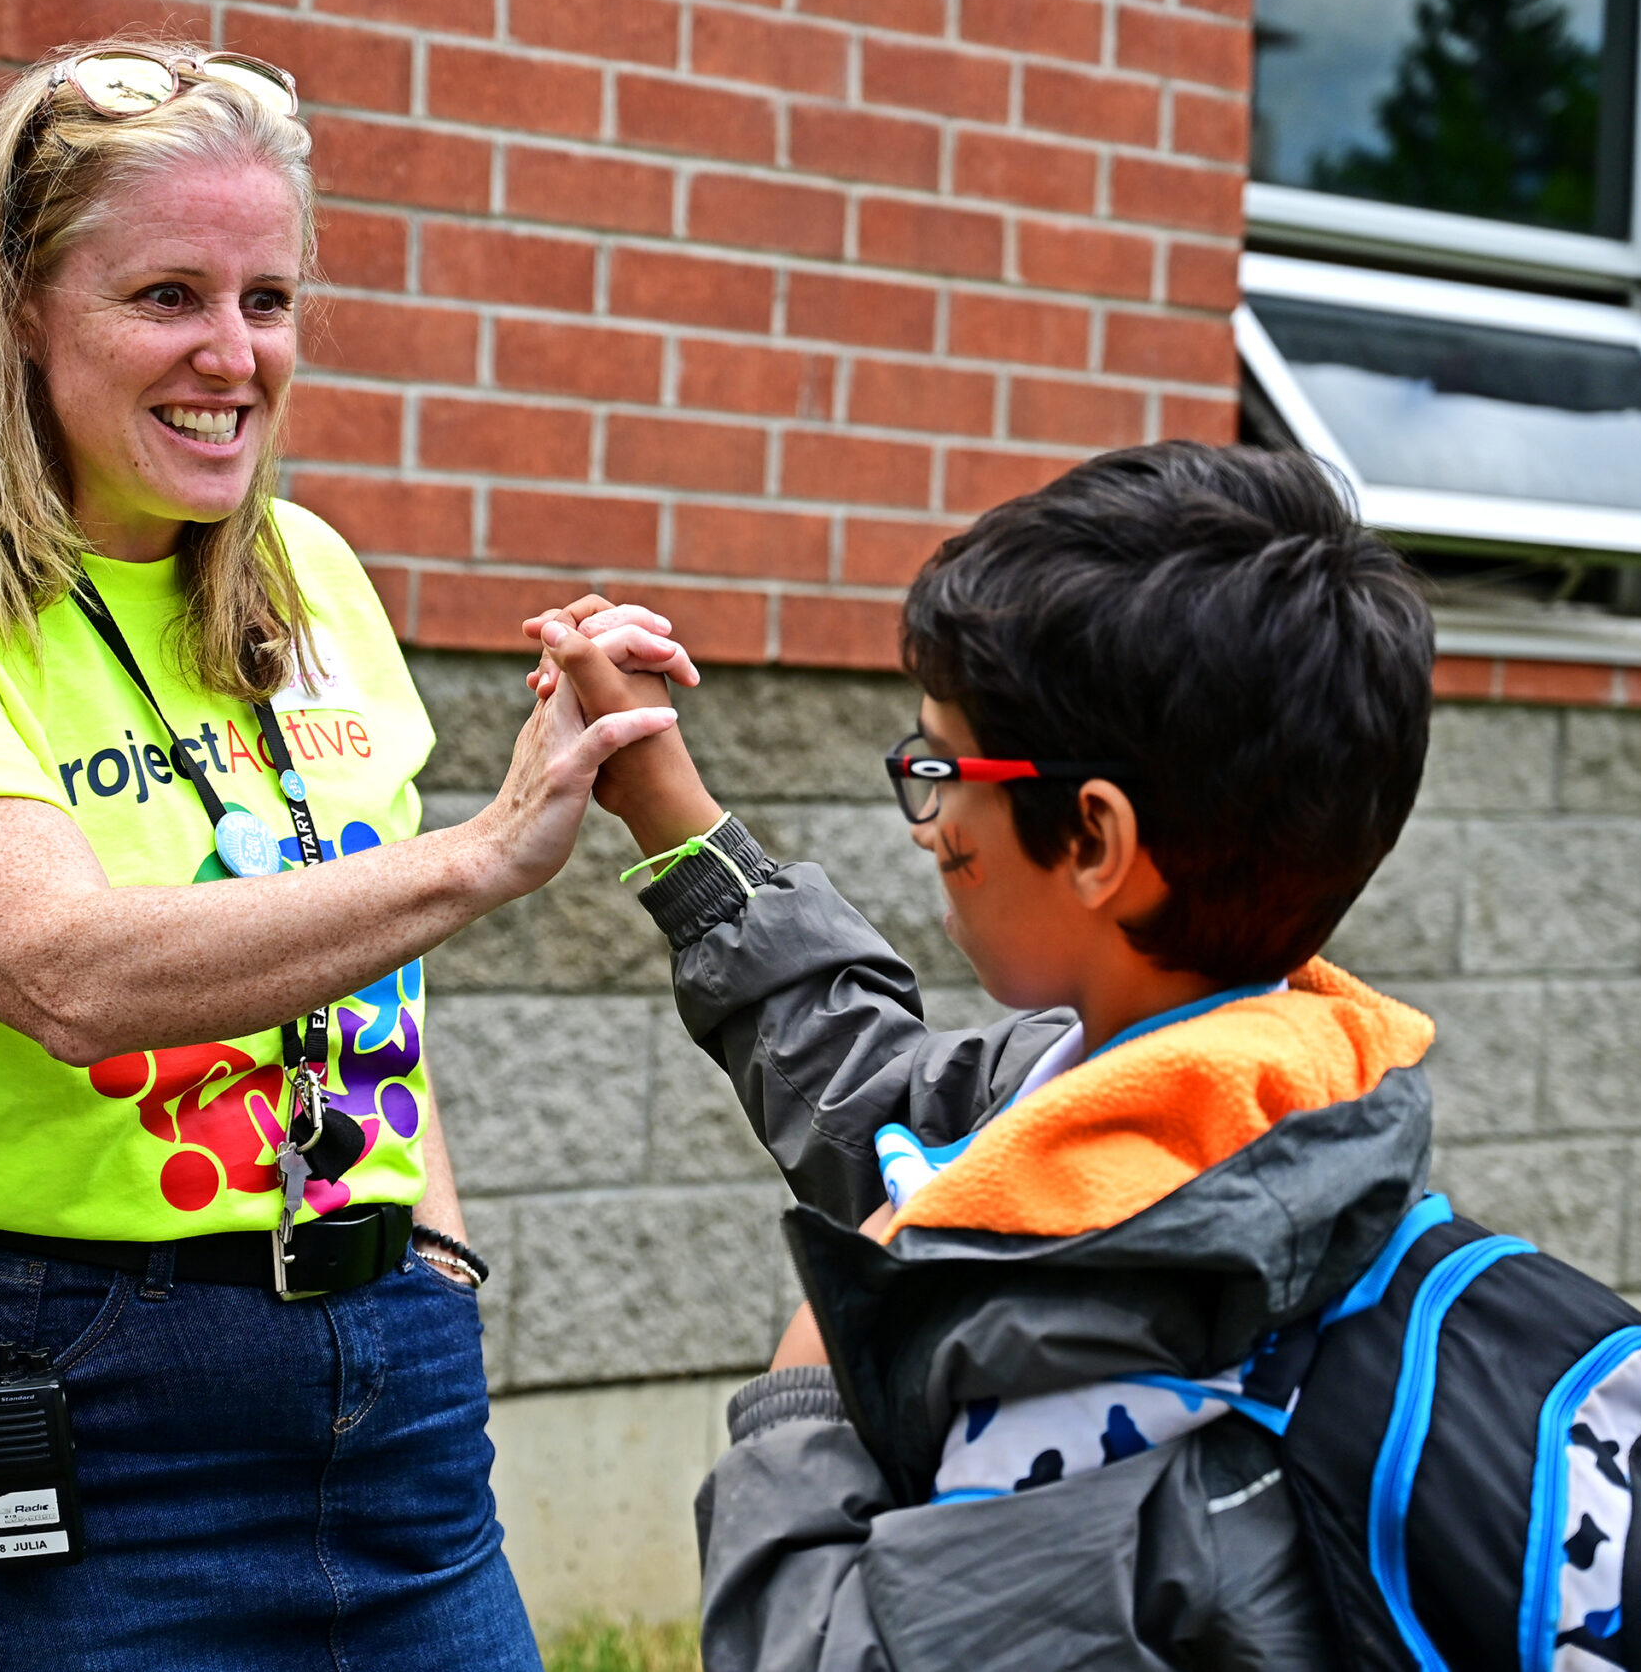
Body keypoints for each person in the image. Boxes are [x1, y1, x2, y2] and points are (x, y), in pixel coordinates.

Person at [0, 42, 698, 1672]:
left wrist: (432, 1260)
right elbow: (68, 971)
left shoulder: (309, 574)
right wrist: (478, 858)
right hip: (34, 1372)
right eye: (168, 294)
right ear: (21, 309)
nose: (232, 355)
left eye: (269, 298)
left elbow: (356, 958)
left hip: (375, 1364)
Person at [533, 442, 1441, 1671]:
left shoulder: (1102, 1330)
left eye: (939, 771)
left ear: (1092, 840)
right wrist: (672, 813)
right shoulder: (1252, 1084)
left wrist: (808, 1386)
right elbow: (886, 1105)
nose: (927, 824)